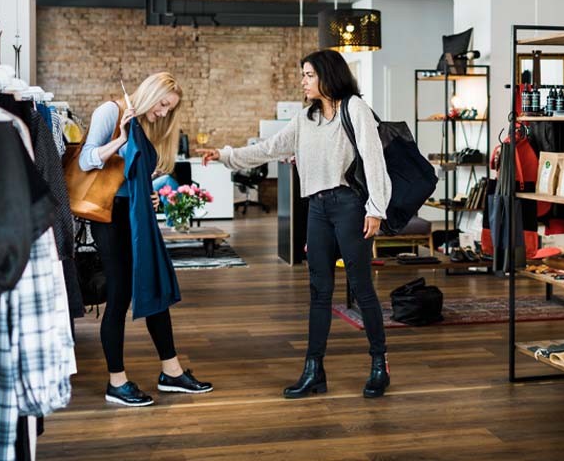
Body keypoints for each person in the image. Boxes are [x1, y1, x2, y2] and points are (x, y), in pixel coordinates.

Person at [198, 50, 392, 398]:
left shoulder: (355, 109)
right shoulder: (306, 118)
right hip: (316, 209)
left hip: (349, 206)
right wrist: (226, 155)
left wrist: (376, 208)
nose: (303, 82)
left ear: (327, 76)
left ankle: (380, 364)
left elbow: (374, 159)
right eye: (303, 75)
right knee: (319, 292)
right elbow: (270, 148)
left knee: (362, 288)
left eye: (308, 75)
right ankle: (313, 370)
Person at [80, 71, 212, 406]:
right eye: (164, 104)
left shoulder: (146, 123)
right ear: (152, 93)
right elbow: (86, 160)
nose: (164, 112)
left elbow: (135, 176)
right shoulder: (110, 112)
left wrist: (149, 195)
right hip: (109, 215)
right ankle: (116, 382)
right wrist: (120, 140)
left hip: (135, 212)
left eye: (170, 109)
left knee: (153, 285)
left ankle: (172, 372)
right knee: (120, 293)